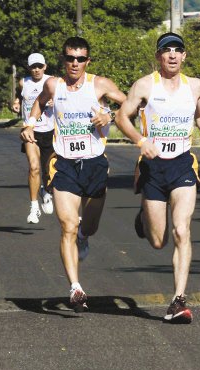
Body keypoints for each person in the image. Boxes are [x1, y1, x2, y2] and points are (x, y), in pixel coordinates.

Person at [115, 32, 200, 323]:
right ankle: (144, 217)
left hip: (183, 164)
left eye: (177, 50)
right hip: (153, 167)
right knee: (158, 241)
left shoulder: (195, 86)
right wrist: (139, 141)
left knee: (182, 230)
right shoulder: (145, 85)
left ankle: (178, 300)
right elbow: (122, 116)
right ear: (158, 56)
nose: (172, 55)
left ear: (184, 56)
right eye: (166, 50)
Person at [20, 37, 126, 309]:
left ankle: (84, 236)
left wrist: (109, 115)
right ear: (63, 59)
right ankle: (75, 288)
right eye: (70, 58)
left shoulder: (99, 84)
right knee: (67, 225)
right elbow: (40, 103)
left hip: (94, 163)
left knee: (88, 226)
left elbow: (130, 104)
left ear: (87, 61)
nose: (75, 63)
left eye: (80, 59)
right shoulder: (53, 85)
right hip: (64, 162)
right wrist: (31, 124)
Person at [13, 53, 54, 224]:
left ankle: (45, 191)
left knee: (47, 171)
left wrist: (54, 102)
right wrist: (16, 102)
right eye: (33, 67)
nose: (36, 69)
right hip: (30, 131)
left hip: (50, 131)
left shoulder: (52, 82)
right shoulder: (24, 82)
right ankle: (34, 207)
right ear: (29, 68)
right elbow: (19, 95)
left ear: (45, 66)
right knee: (34, 167)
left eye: (39, 66)